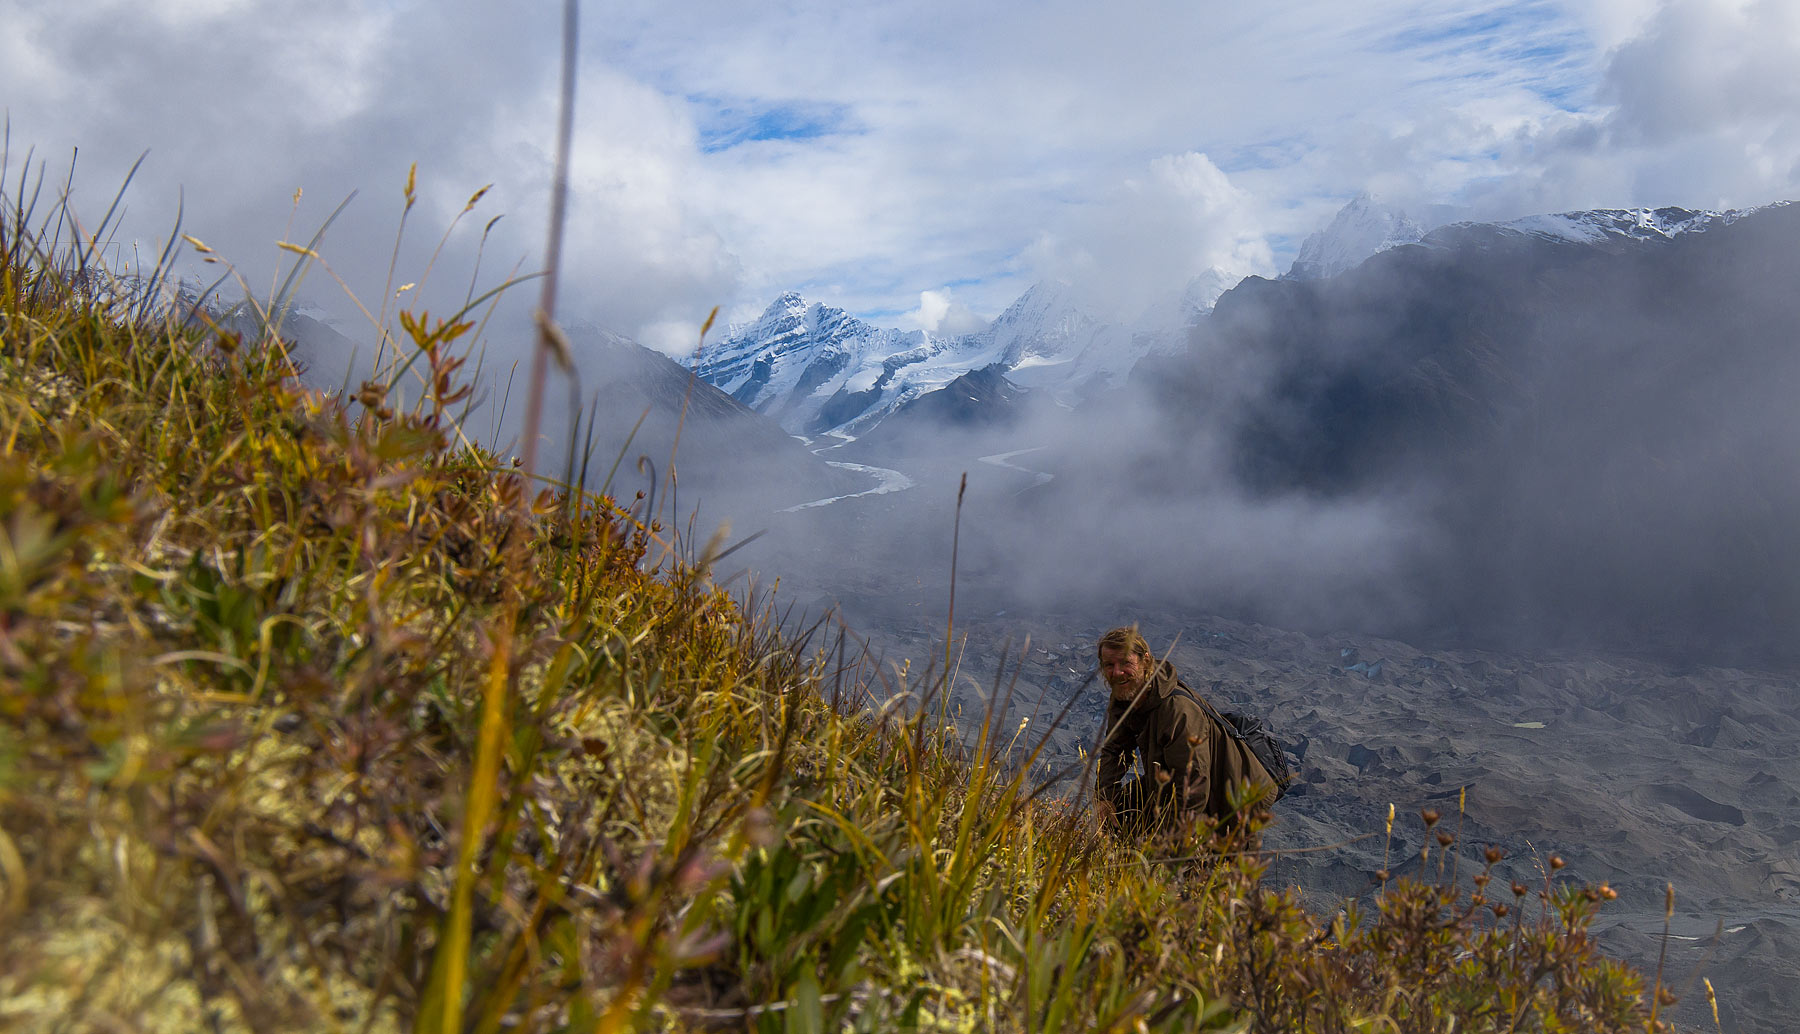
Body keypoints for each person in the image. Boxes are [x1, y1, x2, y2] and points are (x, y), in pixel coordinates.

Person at [1092, 626, 1277, 838]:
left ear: (1145, 661)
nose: (1117, 672)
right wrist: (1104, 798)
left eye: (1125, 663)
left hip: (1232, 799)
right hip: (1180, 783)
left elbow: (1193, 787)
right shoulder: (1126, 694)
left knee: (1196, 866)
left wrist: (1166, 843)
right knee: (1119, 809)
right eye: (1109, 665)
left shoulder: (1177, 711)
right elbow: (1114, 750)